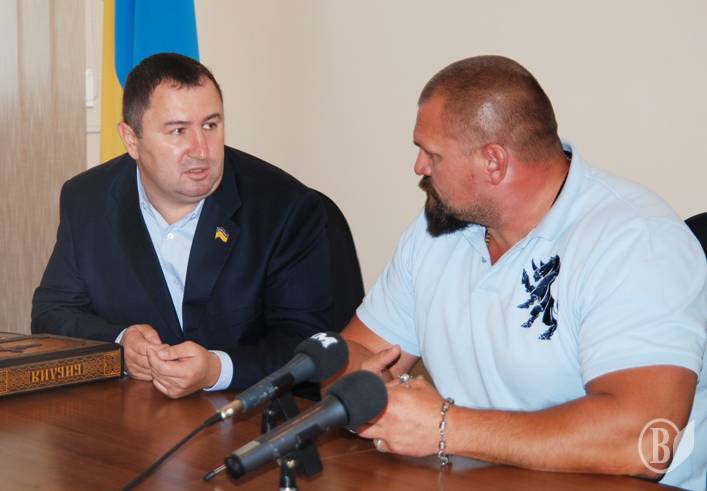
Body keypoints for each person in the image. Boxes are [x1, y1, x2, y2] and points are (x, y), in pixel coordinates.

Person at [338, 55, 706, 490]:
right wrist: (370, 394)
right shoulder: (435, 231)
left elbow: (644, 443)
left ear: (493, 162)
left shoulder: (636, 242)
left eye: (432, 153)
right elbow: (351, 353)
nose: (419, 167)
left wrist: (447, 427)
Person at [32, 53, 331, 399]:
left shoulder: (284, 208)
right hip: (134, 414)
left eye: (210, 126)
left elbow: (310, 344)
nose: (201, 150)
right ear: (131, 140)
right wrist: (120, 341)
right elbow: (51, 314)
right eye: (178, 131)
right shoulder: (88, 199)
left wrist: (216, 369)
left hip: (250, 415)